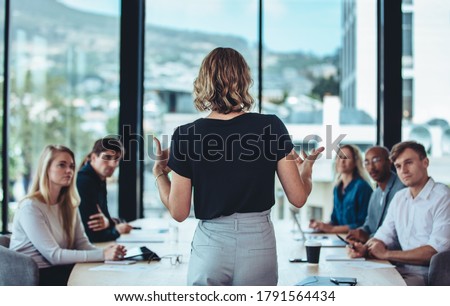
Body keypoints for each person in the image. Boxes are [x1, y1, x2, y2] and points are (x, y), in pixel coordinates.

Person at [152, 47, 324, 285]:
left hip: (210, 245)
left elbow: (179, 212)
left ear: (203, 82)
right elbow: (298, 198)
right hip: (258, 243)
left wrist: (160, 173)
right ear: (244, 81)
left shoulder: (186, 134)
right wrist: (306, 172)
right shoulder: (271, 126)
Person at [9, 145, 126, 286]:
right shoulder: (30, 207)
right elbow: (54, 256)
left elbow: (82, 244)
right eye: (61, 165)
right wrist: (102, 255)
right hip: (35, 279)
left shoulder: (69, 205)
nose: (69, 171)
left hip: (60, 270)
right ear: (46, 168)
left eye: (71, 166)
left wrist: (109, 252)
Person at [348, 141, 450, 285]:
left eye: (409, 163)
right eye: (398, 166)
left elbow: (434, 251)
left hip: (426, 278)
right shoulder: (400, 197)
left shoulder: (443, 197)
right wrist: (364, 248)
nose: (403, 170)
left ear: (425, 162)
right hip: (397, 271)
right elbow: (383, 235)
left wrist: (387, 254)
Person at [77, 138, 133, 242]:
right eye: (107, 157)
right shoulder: (84, 181)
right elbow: (94, 233)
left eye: (117, 159)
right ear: (93, 157)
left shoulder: (99, 178)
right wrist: (116, 229)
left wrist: (110, 223)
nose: (113, 164)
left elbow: (105, 218)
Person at [346, 146, 405, 243]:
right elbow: (368, 225)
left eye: (376, 160)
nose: (371, 167)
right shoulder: (375, 194)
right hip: (373, 248)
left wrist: (368, 238)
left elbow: (396, 232)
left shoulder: (402, 189)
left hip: (391, 251)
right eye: (367, 162)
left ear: (389, 161)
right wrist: (359, 232)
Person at [309, 144, 373, 233]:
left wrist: (332, 229)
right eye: (339, 157)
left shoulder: (362, 187)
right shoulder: (337, 188)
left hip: (355, 241)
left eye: (346, 157)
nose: (342, 161)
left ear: (355, 162)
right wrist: (321, 226)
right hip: (339, 238)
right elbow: (334, 220)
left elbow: (362, 224)